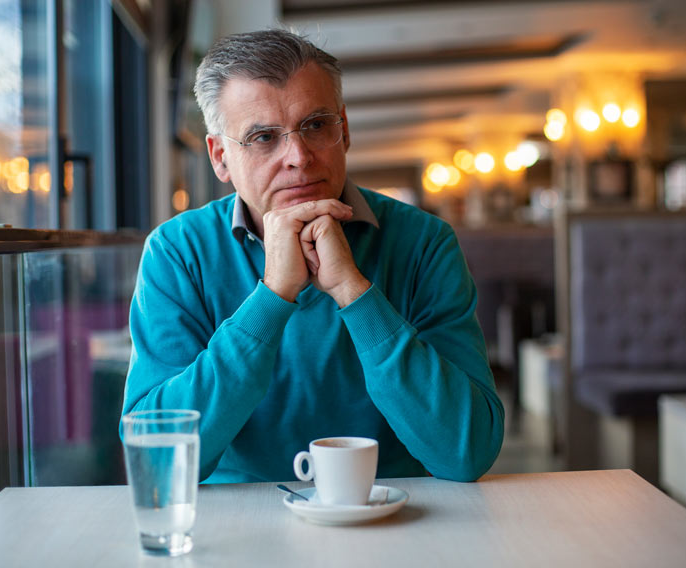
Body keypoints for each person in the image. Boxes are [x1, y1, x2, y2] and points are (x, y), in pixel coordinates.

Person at [121, 29, 504, 484]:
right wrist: (273, 298)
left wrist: (354, 292)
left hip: (395, 515)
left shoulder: (425, 242)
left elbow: (468, 452)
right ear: (220, 157)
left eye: (316, 125)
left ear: (344, 130)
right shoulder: (177, 252)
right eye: (263, 137)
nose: (299, 157)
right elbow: (158, 462)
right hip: (241, 527)